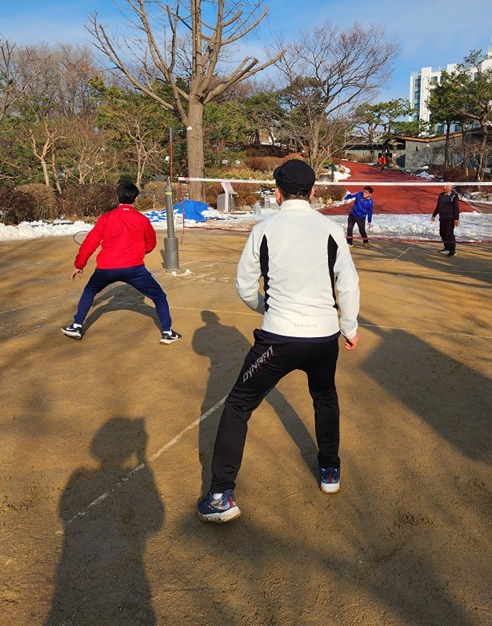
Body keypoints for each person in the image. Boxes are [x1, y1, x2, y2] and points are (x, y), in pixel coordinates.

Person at [197, 159, 360, 523]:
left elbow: (243, 286)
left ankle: (222, 493)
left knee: (239, 405)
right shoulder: (331, 229)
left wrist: (267, 306)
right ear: (314, 191)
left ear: (277, 192)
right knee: (325, 395)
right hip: (323, 338)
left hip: (277, 339)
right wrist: (349, 327)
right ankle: (329, 470)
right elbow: (348, 283)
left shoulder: (264, 228)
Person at [61, 181, 181, 344]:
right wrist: (138, 252)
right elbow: (150, 244)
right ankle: (167, 333)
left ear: (118, 197)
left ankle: (76, 326)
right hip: (134, 269)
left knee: (90, 290)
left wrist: (79, 265)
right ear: (136, 199)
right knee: (159, 296)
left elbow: (90, 243)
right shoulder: (142, 220)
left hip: (105, 269)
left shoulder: (106, 218)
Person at [431, 183, 460, 257]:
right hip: (442, 218)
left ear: (450, 187)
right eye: (444, 186)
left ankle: (452, 250)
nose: (444, 187)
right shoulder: (441, 195)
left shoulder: (454, 196)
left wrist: (456, 219)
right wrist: (434, 215)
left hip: (450, 218)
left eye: (446, 186)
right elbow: (438, 206)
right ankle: (446, 247)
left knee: (450, 234)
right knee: (442, 233)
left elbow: (456, 208)